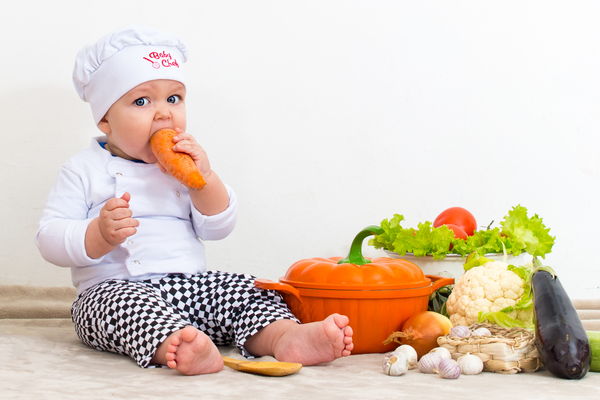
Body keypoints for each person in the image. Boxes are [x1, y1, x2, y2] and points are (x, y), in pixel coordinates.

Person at [36, 25, 353, 375]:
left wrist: (204, 181)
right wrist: (97, 235)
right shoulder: (83, 169)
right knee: (120, 310)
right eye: (141, 101)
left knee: (248, 289)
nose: (163, 113)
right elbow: (49, 237)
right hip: (113, 289)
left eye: (174, 99)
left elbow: (218, 227)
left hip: (190, 286)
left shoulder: (184, 164)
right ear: (105, 119)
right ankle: (179, 345)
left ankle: (285, 337)